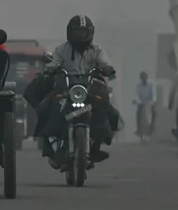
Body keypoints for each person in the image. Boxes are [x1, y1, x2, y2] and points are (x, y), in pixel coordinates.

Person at [34, 15, 116, 168]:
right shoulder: (62, 49)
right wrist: (51, 68)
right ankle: (47, 146)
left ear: (90, 33)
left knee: (109, 110)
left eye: (84, 32)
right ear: (70, 33)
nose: (80, 36)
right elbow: (53, 63)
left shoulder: (97, 50)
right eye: (77, 32)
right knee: (45, 106)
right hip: (66, 88)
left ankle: (97, 145)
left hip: (89, 89)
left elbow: (106, 64)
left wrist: (106, 68)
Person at [134, 71, 156, 137]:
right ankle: (138, 129)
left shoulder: (151, 84)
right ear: (141, 79)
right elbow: (137, 95)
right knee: (138, 114)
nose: (144, 79)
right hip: (142, 103)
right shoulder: (138, 85)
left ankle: (152, 128)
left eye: (145, 78)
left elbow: (154, 94)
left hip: (150, 102)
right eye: (142, 78)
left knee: (154, 114)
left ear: (147, 77)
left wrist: (153, 101)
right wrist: (137, 100)